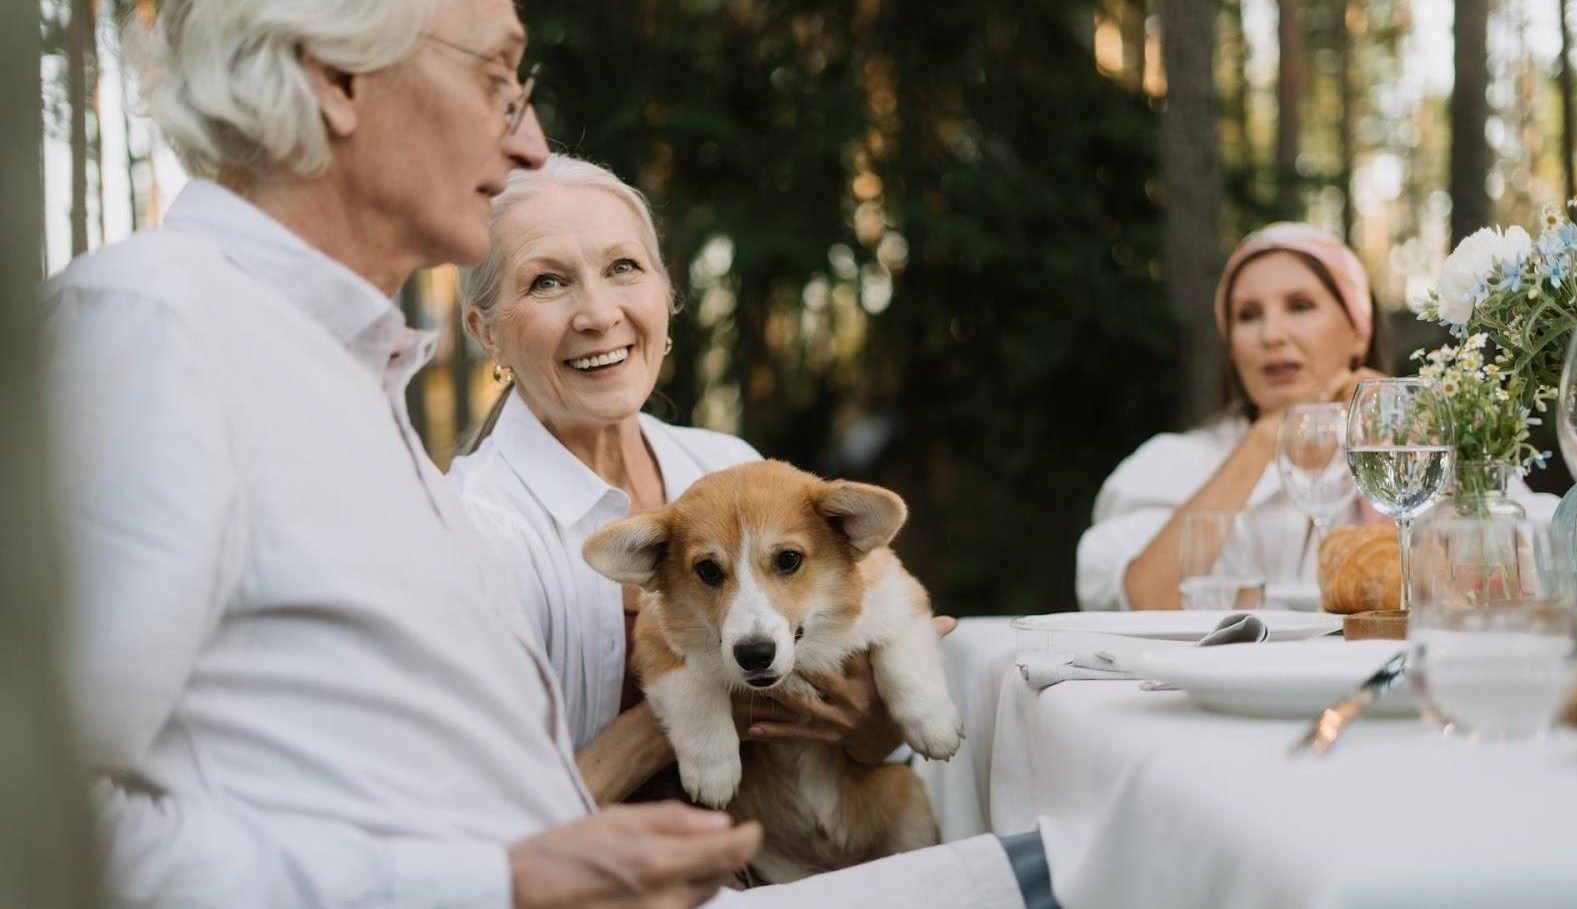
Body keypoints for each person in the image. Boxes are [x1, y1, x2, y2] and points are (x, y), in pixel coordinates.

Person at [45, 1, 1057, 906]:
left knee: (1106, 850)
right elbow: (43, 815)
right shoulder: (156, 327)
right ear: (336, 79)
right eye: (498, 76)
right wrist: (502, 881)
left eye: (625, 267)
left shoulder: (341, 381)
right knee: (1109, 864)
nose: (527, 143)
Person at [447, 157, 927, 805]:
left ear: (665, 291)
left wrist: (875, 729)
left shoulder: (727, 465)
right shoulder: (469, 529)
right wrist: (680, 710)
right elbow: (480, 827)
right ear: (485, 332)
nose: (598, 313)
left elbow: (875, 740)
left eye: (623, 267)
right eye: (548, 282)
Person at [1076, 223, 1553, 611]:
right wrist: (1267, 438)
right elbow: (1142, 597)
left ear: (1355, 331)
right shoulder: (1176, 462)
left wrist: (1412, 432)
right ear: (1231, 347)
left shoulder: (1413, 448)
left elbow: (1535, 567)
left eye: (1300, 306)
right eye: (1247, 315)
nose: (1271, 334)